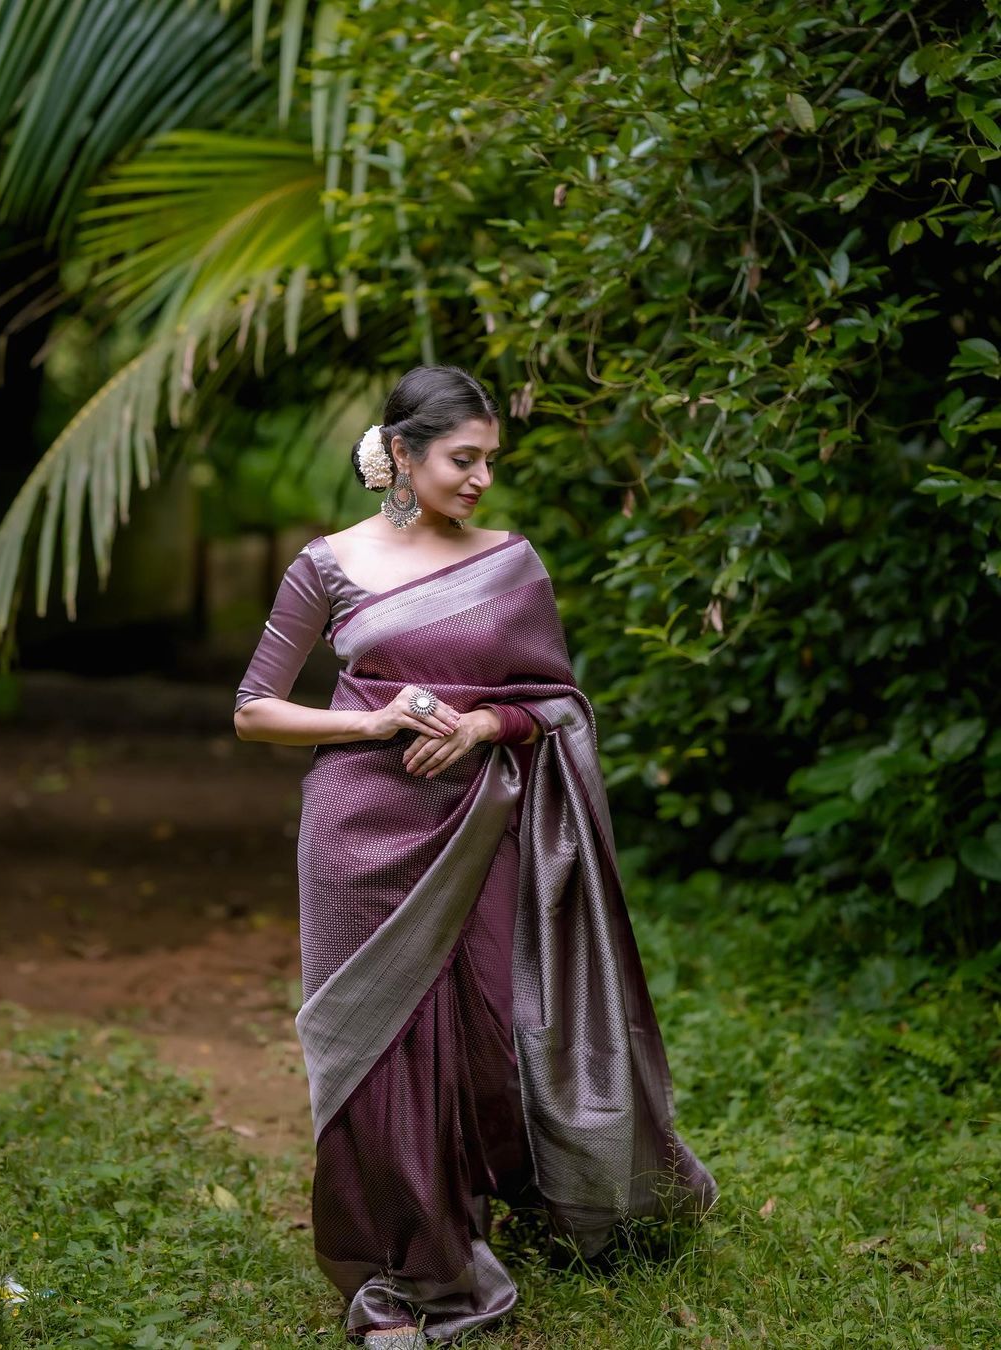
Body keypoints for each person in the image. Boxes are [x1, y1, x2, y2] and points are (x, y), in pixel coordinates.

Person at [233, 365, 716, 1348]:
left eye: (491, 458)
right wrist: (375, 727)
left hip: (483, 823)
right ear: (403, 454)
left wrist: (486, 722)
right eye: (465, 458)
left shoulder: (511, 562)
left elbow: (558, 704)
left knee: (490, 1026)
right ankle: (404, 1273)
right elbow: (254, 711)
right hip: (357, 827)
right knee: (376, 1046)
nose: (483, 478)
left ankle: (504, 1199)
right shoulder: (326, 564)